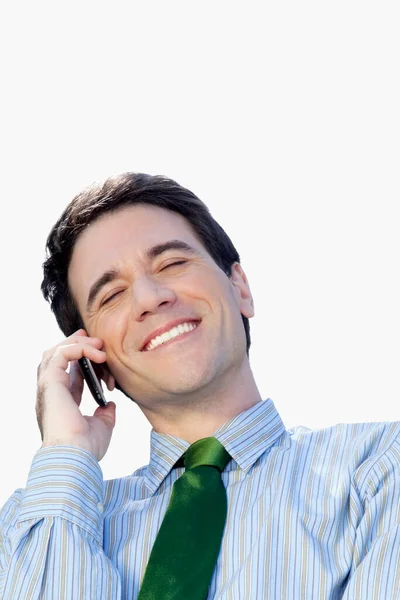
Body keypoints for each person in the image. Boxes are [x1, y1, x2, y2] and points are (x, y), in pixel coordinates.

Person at [0, 172, 399, 600]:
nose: (151, 297)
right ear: (96, 364)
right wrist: (66, 451)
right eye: (111, 295)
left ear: (239, 288)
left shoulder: (378, 468)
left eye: (172, 263)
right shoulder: (31, 528)